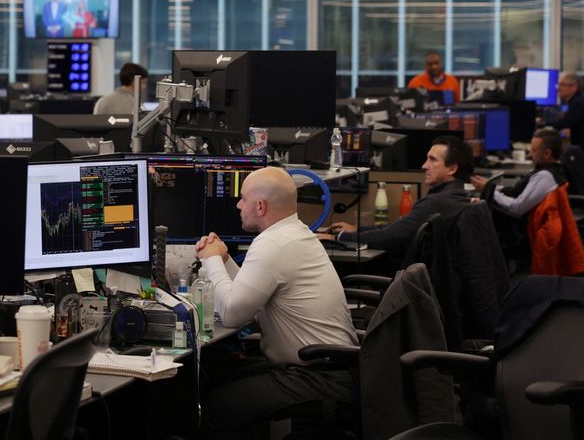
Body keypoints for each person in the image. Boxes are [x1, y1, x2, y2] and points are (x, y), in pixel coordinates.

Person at [195, 167, 358, 433]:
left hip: (317, 377)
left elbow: (234, 314)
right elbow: (252, 300)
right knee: (213, 380)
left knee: (210, 406)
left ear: (260, 206)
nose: (238, 204)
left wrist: (211, 259)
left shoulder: (273, 244)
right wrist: (224, 260)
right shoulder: (294, 233)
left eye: (243, 198)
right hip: (330, 370)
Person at [321, 136, 472, 250]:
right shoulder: (454, 196)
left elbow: (391, 236)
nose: (424, 165)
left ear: (452, 169)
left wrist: (336, 237)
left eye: (433, 160)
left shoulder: (439, 202)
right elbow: (399, 228)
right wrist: (357, 229)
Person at [471, 128, 567, 219]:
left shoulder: (546, 176)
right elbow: (515, 192)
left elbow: (517, 207)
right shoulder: (545, 172)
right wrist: (490, 185)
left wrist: (488, 190)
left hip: (518, 230)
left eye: (534, 151)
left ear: (547, 154)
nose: (529, 154)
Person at [549, 71, 584, 147]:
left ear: (573, 87)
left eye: (561, 84)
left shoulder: (578, 103)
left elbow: (563, 123)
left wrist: (541, 124)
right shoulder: (578, 100)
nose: (558, 88)